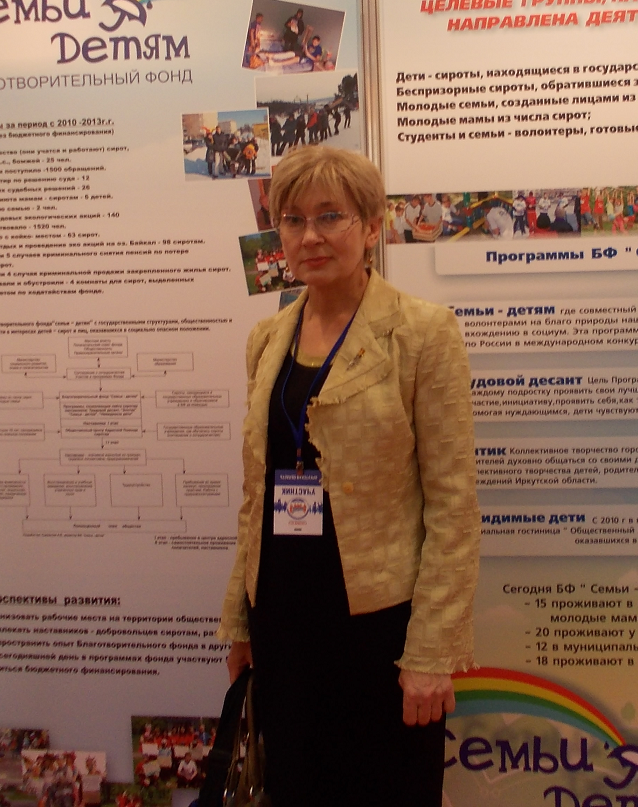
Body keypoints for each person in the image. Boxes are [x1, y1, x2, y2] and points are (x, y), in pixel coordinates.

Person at [217, 146, 479, 807]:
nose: (310, 236)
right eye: (293, 219)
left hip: (379, 632)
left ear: (370, 227)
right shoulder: (267, 339)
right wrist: (240, 620)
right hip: (283, 621)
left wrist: (430, 654)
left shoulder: (422, 333)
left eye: (330, 216)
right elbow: (256, 494)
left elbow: (453, 506)